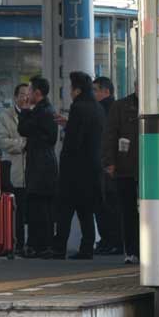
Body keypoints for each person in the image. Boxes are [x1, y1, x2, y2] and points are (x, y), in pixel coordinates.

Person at [53, 71, 105, 259]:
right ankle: (87, 247)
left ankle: (59, 248)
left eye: (70, 88)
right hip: (93, 168)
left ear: (77, 90)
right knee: (85, 211)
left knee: (65, 210)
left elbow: (74, 141)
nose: (69, 91)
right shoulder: (97, 108)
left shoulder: (78, 107)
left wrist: (64, 165)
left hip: (75, 170)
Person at [17, 77, 58, 258]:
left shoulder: (40, 112)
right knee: (44, 207)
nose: (27, 95)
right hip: (45, 163)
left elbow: (23, 129)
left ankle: (39, 245)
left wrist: (25, 111)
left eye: (30, 90)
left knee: (37, 206)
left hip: (40, 165)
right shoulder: (48, 110)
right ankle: (44, 244)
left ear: (37, 93)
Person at [103, 87, 140, 264]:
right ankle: (131, 250)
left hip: (150, 168)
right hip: (127, 168)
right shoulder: (120, 107)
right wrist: (110, 162)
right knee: (128, 211)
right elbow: (110, 134)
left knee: (141, 211)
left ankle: (143, 249)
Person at [0, 83, 29, 255]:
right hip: (14, 169)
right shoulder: (5, 116)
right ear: (16, 97)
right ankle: (16, 243)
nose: (25, 98)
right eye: (22, 94)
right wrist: (22, 144)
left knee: (30, 209)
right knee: (17, 209)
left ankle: (28, 244)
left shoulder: (34, 114)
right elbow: (1, 141)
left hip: (32, 170)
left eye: (28, 94)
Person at [92, 76, 122, 255]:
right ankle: (112, 241)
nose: (93, 93)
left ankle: (111, 240)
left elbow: (107, 137)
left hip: (106, 164)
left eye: (96, 90)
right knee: (109, 204)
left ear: (106, 91)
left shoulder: (106, 109)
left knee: (108, 205)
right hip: (109, 163)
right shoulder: (112, 108)